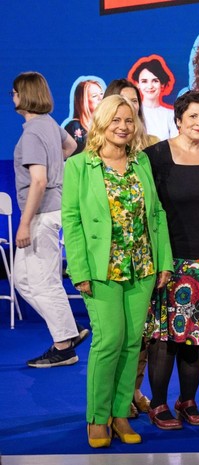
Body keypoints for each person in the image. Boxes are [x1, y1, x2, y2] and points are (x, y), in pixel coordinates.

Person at [61, 94, 173, 447]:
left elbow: (156, 214)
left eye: (129, 120)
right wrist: (79, 270)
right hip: (101, 269)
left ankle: (120, 413)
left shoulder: (141, 162)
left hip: (142, 266)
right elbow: (72, 221)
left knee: (131, 343)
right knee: (108, 341)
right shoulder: (79, 166)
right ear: (101, 123)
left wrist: (164, 261)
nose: (123, 127)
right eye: (116, 120)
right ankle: (97, 417)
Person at [144, 91, 199, 430]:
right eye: (193, 116)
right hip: (169, 263)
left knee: (198, 336)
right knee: (165, 337)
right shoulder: (155, 156)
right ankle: (157, 403)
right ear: (178, 119)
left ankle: (187, 401)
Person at [11, 71, 89, 368]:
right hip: (50, 210)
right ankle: (67, 331)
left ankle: (63, 345)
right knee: (26, 280)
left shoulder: (33, 132)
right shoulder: (49, 124)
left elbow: (39, 180)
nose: (13, 97)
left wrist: (24, 223)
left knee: (40, 282)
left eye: (15, 92)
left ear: (25, 95)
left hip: (41, 214)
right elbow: (71, 147)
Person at [103, 78, 160, 418]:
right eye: (122, 104)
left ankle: (132, 393)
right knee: (112, 339)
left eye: (134, 102)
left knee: (140, 336)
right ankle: (107, 406)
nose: (129, 110)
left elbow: (156, 209)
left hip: (144, 259)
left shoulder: (150, 150)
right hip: (109, 265)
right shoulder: (90, 159)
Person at [129, 55, 178, 140]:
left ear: (162, 84)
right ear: (137, 84)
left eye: (155, 81)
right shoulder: (132, 112)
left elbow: (175, 143)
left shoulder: (171, 114)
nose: (150, 86)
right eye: (144, 81)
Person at [64, 79, 103, 155]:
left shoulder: (106, 124)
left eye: (101, 94)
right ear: (83, 101)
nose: (100, 98)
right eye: (94, 96)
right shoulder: (74, 127)